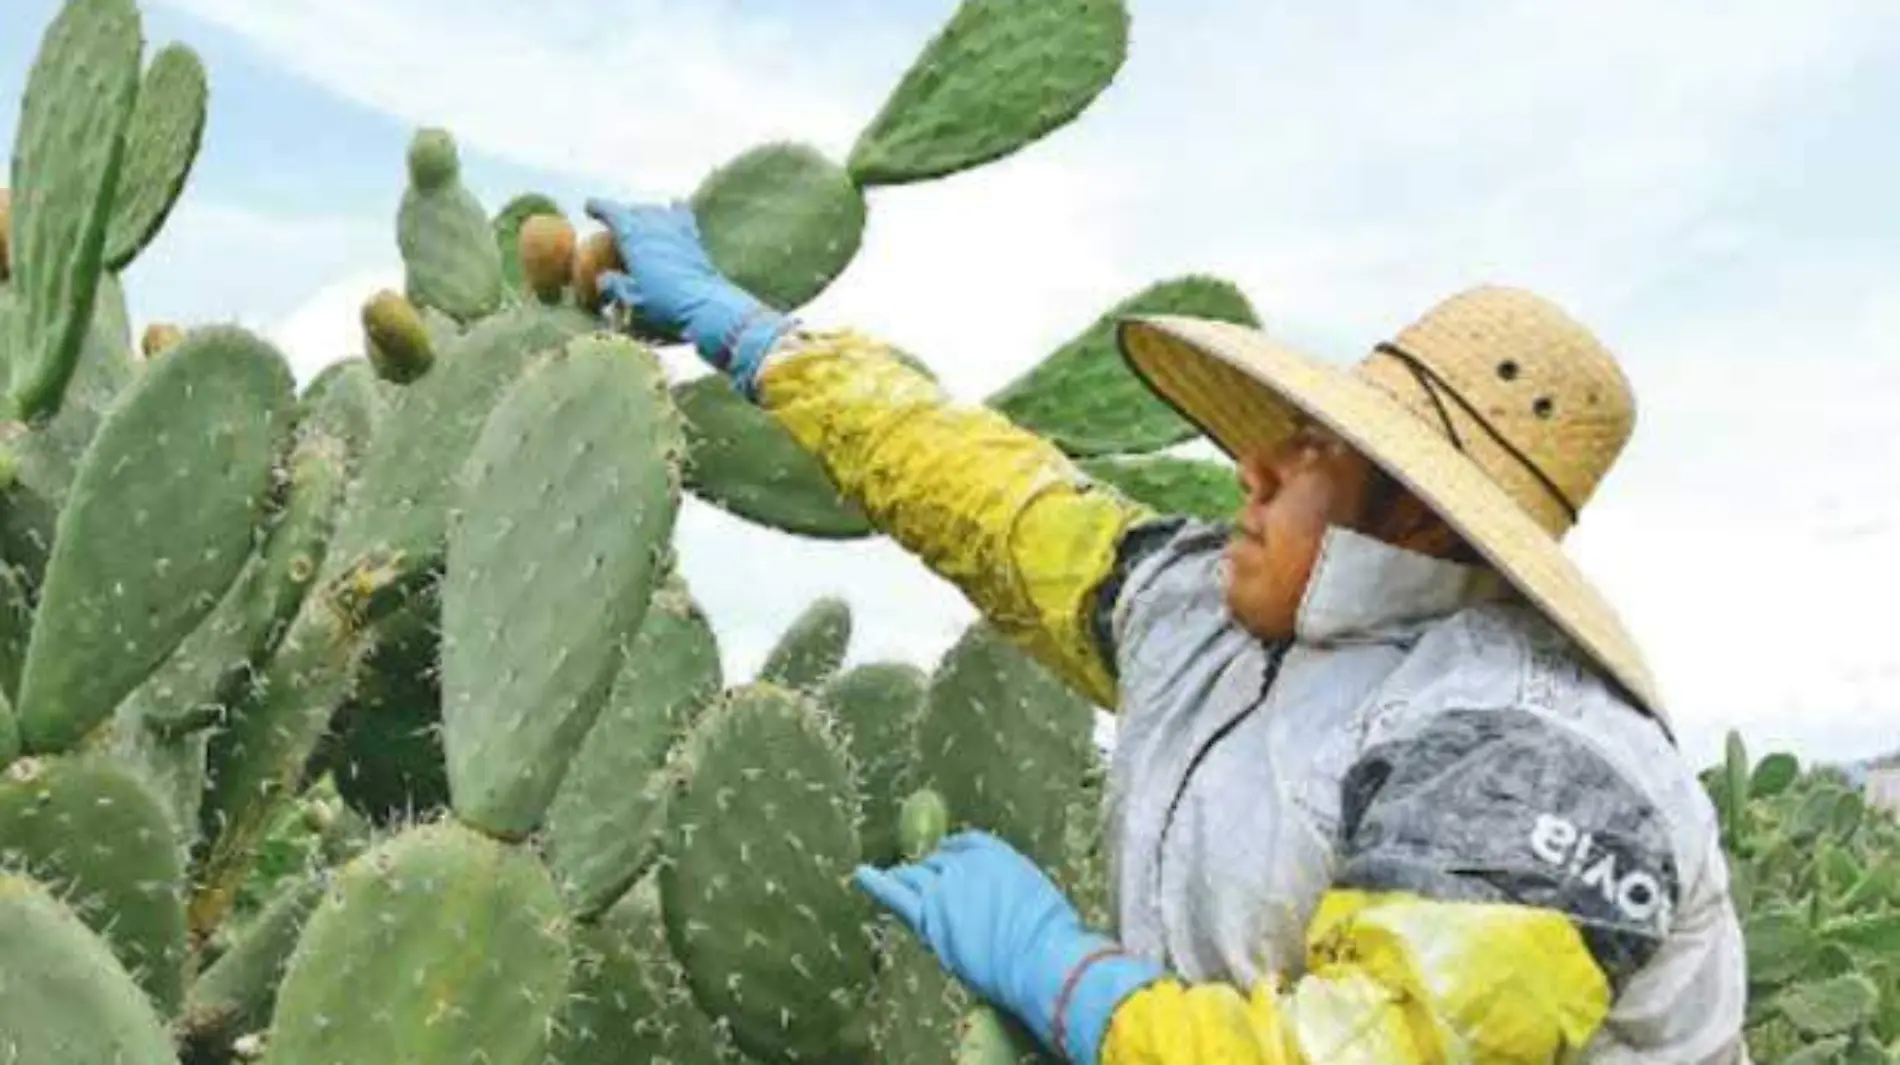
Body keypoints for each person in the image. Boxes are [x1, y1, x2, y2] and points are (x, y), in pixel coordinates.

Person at [585, 198, 1750, 1064]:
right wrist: (754, 339)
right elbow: (991, 500)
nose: (1250, 469)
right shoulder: (1203, 611)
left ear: (1422, 521)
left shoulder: (1541, 763)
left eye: (1311, 455)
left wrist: (1063, 978)